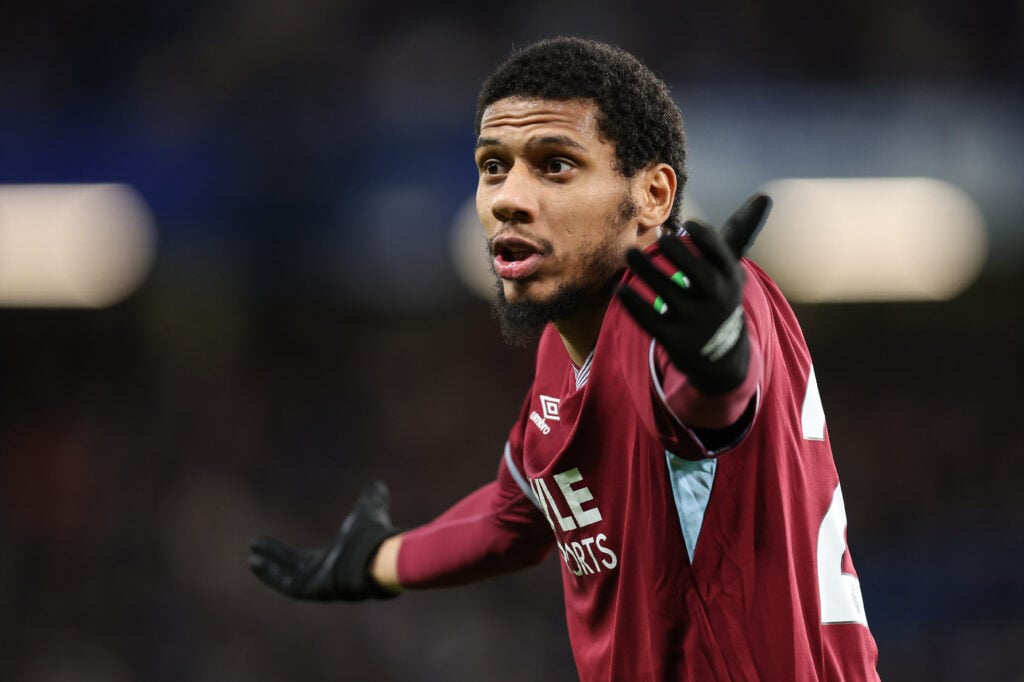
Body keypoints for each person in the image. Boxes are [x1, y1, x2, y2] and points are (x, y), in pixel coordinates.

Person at [248, 36, 881, 681]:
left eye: (555, 165)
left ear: (653, 196)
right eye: (493, 166)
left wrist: (716, 357)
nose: (506, 199)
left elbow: (709, 401)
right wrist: (373, 561)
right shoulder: (565, 346)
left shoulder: (687, 302)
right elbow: (512, 514)